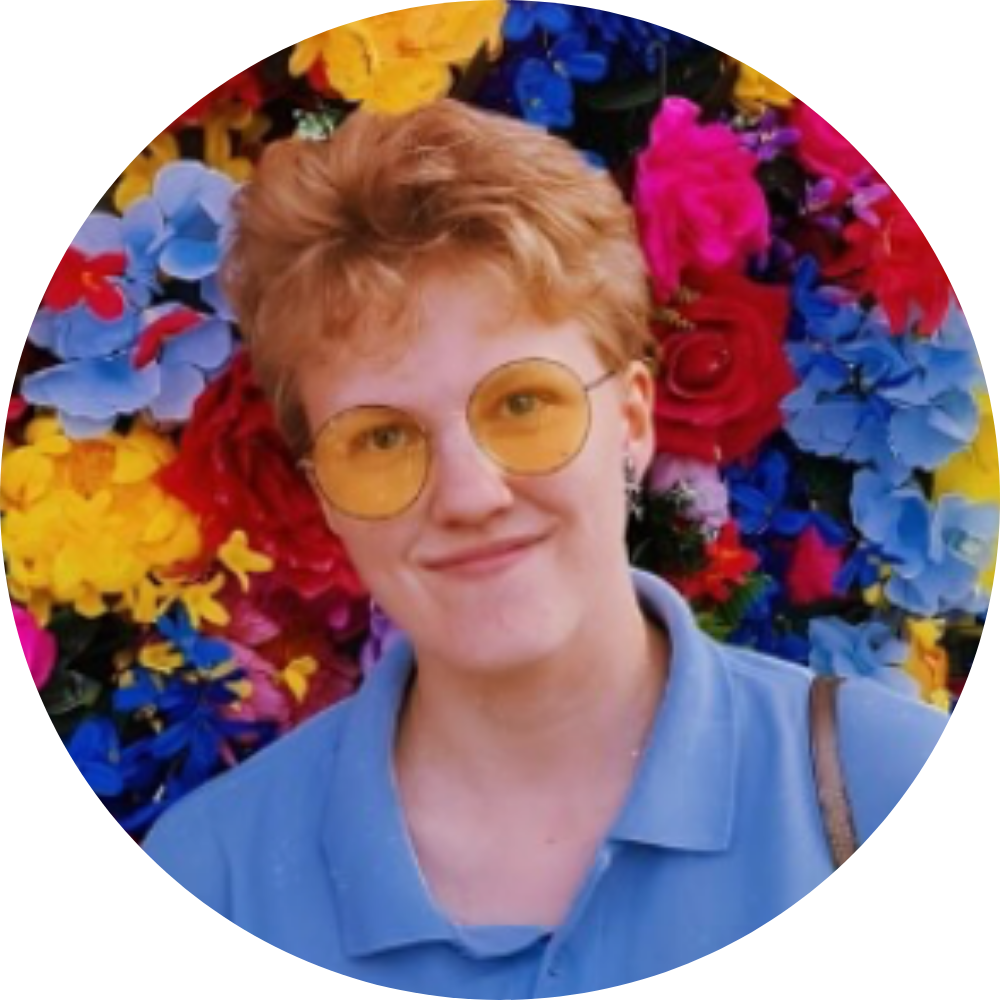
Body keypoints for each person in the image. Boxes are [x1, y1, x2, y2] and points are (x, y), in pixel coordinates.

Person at [141, 97, 949, 990]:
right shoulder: (215, 875)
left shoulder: (873, 785)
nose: (469, 495)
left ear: (632, 422)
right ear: (322, 492)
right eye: (381, 438)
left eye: (524, 404)